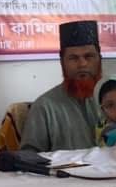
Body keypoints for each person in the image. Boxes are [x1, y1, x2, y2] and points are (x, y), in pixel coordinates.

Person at [21, 20, 102, 151]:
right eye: (73, 58)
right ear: (62, 62)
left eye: (89, 56)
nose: (82, 64)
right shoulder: (44, 107)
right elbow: (29, 155)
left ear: (99, 59)